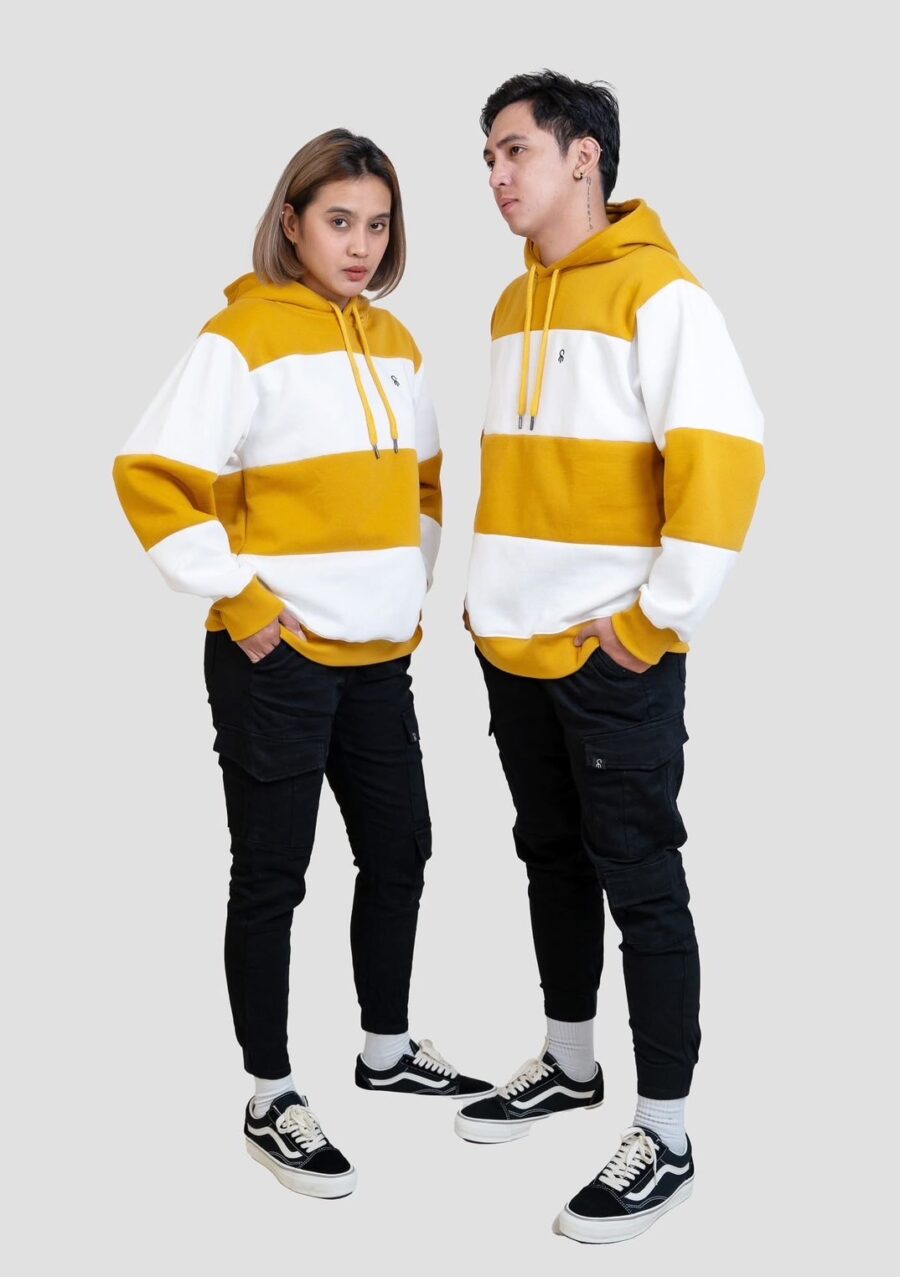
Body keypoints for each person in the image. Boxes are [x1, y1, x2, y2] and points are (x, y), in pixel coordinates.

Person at [113, 129, 491, 1201]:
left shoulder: (398, 342)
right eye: (338, 221)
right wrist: (241, 600)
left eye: (377, 224)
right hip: (273, 659)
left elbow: (425, 481)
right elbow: (150, 474)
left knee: (402, 848)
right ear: (292, 221)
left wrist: (404, 587)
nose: (360, 245)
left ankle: (386, 1046)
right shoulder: (240, 338)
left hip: (378, 657)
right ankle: (270, 1092)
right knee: (273, 874)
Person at [456, 73, 765, 1243]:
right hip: (513, 646)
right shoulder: (509, 304)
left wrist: (652, 620)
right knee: (549, 857)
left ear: (583, 155)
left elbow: (726, 459)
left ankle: (667, 1133)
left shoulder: (661, 293)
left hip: (613, 655)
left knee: (641, 878)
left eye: (516, 150)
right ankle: (570, 1061)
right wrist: (489, 597)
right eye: (489, 156)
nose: (497, 175)